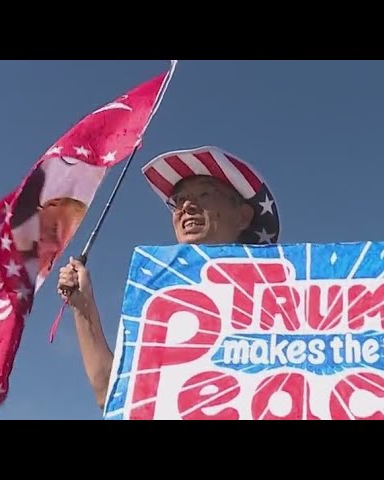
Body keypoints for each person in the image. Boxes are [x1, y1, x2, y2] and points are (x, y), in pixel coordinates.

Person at [56, 145, 281, 410]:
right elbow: (111, 394)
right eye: (179, 200)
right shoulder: (159, 302)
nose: (186, 206)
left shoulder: (281, 298)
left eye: (204, 194)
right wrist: (83, 308)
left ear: (243, 216)